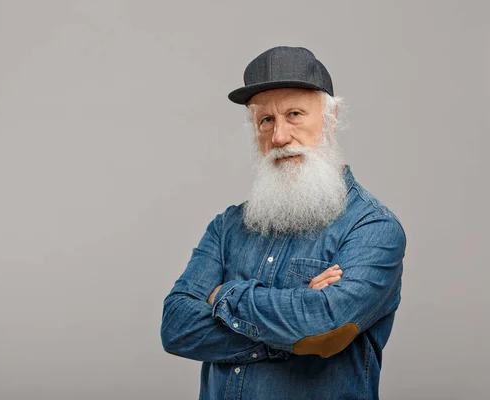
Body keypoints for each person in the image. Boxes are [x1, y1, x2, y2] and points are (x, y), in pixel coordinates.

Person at [160, 46, 406, 400]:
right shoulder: (228, 226)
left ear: (331, 119)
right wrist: (296, 335)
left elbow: (325, 327)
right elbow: (176, 327)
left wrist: (222, 296)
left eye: (294, 114)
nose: (279, 137)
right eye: (266, 120)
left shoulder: (373, 228)